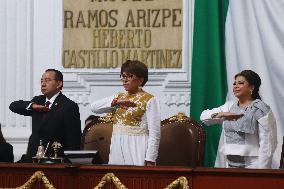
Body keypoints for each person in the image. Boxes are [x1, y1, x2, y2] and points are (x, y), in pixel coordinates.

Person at [200, 70, 277, 169]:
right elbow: (203, 117)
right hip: (229, 164)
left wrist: (262, 172)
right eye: (234, 83)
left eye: (240, 83)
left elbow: (267, 142)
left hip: (254, 165)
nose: (235, 86)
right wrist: (222, 114)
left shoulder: (260, 108)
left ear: (252, 87)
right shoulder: (229, 106)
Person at [91, 60, 161, 166]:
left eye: (129, 76)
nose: (125, 80)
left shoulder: (150, 99)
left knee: (136, 179)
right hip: (117, 144)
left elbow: (155, 133)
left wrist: (150, 158)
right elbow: (94, 107)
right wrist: (114, 103)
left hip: (137, 145)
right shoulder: (119, 97)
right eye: (123, 76)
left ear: (140, 80)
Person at [9, 69, 81, 162]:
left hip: (54, 161)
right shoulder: (38, 101)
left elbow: (73, 141)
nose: (43, 84)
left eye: (47, 80)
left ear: (59, 84)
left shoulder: (68, 106)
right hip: (32, 158)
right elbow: (13, 106)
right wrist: (33, 106)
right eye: (42, 81)